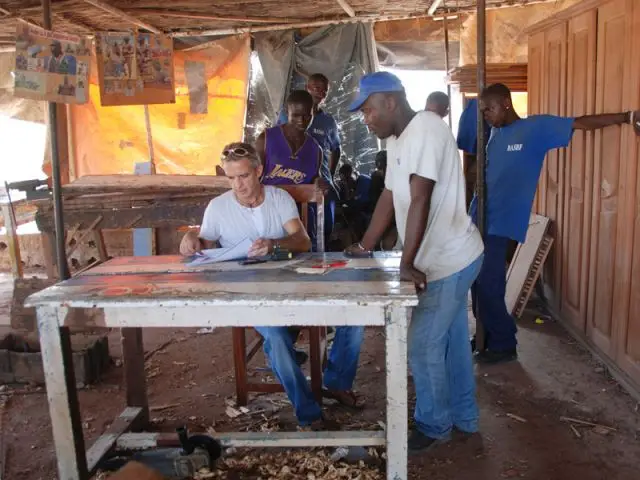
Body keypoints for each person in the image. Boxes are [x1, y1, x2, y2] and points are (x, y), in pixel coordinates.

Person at [179, 142, 365, 429]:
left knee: (354, 313)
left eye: (243, 176)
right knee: (277, 339)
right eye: (231, 178)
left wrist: (274, 245)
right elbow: (203, 245)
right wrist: (191, 242)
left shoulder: (278, 198)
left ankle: (337, 381)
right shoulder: (218, 207)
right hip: (249, 295)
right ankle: (309, 414)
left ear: (259, 171)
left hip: (294, 283)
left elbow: (301, 241)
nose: (238, 185)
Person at [345, 72, 484, 452]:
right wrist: (365, 245)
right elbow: (391, 196)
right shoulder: (398, 138)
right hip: (449, 256)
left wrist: (406, 264)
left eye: (368, 110)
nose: (366, 119)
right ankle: (464, 418)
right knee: (452, 343)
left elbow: (420, 197)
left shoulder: (425, 127)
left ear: (390, 101)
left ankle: (434, 425)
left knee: (423, 345)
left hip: (449, 259)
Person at [472, 83, 640, 364]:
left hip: (499, 222)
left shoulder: (535, 129)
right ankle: (483, 336)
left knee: (489, 284)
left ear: (505, 103)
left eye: (489, 108)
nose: (485, 115)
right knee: (476, 283)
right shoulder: (493, 134)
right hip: (478, 217)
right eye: (482, 111)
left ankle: (503, 343)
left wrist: (627, 116)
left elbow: (581, 123)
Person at [277, 74, 341, 246]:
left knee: (323, 230)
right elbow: (275, 146)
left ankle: (321, 259)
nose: (319, 92)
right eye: (315, 87)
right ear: (307, 87)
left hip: (321, 182)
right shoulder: (283, 117)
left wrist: (330, 176)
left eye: (324, 90)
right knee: (295, 228)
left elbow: (336, 148)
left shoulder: (328, 122)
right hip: (293, 180)